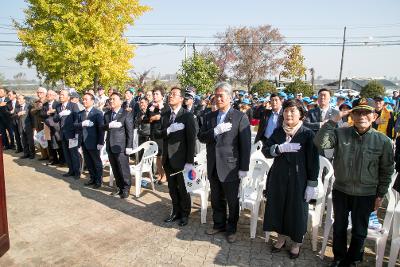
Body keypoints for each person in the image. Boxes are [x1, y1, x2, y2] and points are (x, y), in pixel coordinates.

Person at [314, 97, 394, 267]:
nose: (362, 116)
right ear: (352, 115)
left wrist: (380, 195)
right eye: (358, 112)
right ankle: (339, 257)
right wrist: (333, 120)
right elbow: (320, 142)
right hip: (341, 190)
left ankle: (353, 259)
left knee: (359, 231)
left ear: (374, 116)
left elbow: (386, 170)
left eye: (367, 112)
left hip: (366, 193)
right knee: (340, 227)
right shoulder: (341, 133)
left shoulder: (383, 141)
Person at [261, 99, 319, 259]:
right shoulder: (279, 132)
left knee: (296, 211)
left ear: (301, 114)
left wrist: (311, 184)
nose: (288, 114)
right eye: (286, 110)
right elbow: (266, 151)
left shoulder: (307, 134)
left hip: (299, 179)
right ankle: (280, 239)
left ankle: (296, 243)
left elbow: (314, 161)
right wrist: (278, 148)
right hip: (278, 176)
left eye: (293, 110)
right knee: (278, 207)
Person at [198, 82, 251, 243]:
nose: (218, 98)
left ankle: (231, 228)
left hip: (230, 166)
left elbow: (245, 144)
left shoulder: (239, 116)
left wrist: (244, 167)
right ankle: (218, 224)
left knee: (232, 200)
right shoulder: (210, 116)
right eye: (216, 95)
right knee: (216, 198)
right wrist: (214, 131)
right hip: (213, 164)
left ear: (230, 97)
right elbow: (201, 137)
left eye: (221, 95)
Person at [154, 86, 196, 227]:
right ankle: (175, 211)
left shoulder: (187, 116)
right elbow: (157, 134)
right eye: (170, 94)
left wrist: (190, 161)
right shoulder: (165, 115)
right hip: (168, 159)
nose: (170, 96)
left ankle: (185, 214)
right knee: (172, 189)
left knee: (183, 189)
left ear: (181, 98)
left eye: (174, 94)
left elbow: (191, 140)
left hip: (182, 159)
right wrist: (168, 130)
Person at [104, 92, 134, 199]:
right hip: (110, 145)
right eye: (110, 99)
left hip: (121, 146)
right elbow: (102, 127)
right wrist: (108, 125)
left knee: (123, 168)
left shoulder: (126, 113)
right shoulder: (107, 114)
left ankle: (126, 188)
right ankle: (120, 187)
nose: (111, 101)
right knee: (115, 168)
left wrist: (129, 146)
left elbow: (130, 131)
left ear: (120, 102)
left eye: (114, 99)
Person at [74, 93, 105, 189]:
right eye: (83, 99)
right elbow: (75, 125)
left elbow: (101, 129)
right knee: (88, 162)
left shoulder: (97, 113)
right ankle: (92, 178)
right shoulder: (81, 113)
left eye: (86, 99)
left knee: (96, 162)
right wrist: (82, 123)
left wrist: (100, 142)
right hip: (83, 141)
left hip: (94, 142)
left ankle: (98, 181)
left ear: (92, 101)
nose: (84, 101)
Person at [53, 90, 81, 179]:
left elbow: (77, 120)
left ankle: (77, 172)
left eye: (62, 95)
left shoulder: (73, 105)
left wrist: (77, 133)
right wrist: (60, 114)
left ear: (68, 97)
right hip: (63, 134)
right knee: (66, 153)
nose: (60, 96)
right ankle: (71, 170)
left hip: (72, 134)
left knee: (73, 153)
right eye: (60, 95)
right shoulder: (58, 107)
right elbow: (55, 119)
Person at [41, 90, 64, 165]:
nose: (49, 96)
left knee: (58, 143)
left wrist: (54, 111)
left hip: (56, 127)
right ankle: (54, 159)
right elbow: (41, 114)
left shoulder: (58, 104)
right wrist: (47, 112)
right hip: (47, 127)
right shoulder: (44, 105)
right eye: (47, 94)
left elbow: (60, 113)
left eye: (51, 94)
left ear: (54, 96)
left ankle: (62, 160)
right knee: (50, 143)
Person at [30, 87, 49, 160]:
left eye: (40, 92)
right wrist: (36, 108)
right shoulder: (36, 102)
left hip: (46, 124)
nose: (38, 94)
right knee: (41, 140)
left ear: (44, 93)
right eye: (37, 92)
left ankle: (50, 156)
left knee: (48, 140)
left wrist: (41, 108)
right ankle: (44, 155)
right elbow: (32, 111)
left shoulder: (47, 101)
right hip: (38, 124)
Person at [14, 95, 35, 159]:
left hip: (28, 127)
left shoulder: (29, 106)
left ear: (24, 100)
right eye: (18, 99)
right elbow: (13, 117)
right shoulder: (17, 107)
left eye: (20, 99)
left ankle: (32, 154)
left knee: (30, 141)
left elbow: (32, 118)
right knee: (23, 141)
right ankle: (26, 153)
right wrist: (18, 114)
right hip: (20, 126)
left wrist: (33, 127)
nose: (18, 100)